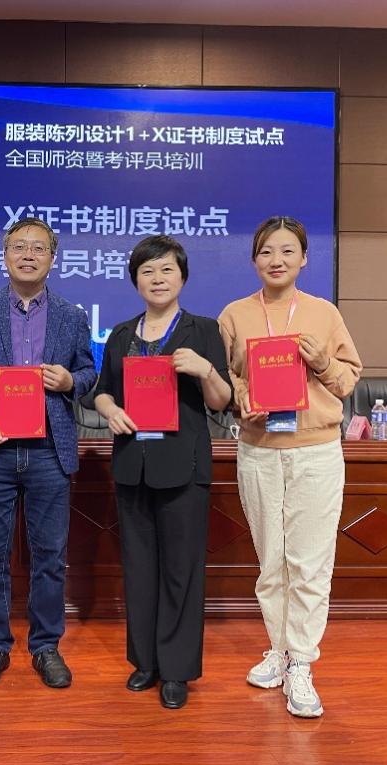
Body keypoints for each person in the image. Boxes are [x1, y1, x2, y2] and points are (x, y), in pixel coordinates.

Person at [218, 215, 362, 719]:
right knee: (271, 562)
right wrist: (241, 398)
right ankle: (278, 650)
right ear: (253, 260)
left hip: (315, 451)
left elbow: (347, 381)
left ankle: (301, 661)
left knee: (309, 563)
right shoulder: (234, 315)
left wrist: (322, 361)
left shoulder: (324, 313)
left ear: (304, 258)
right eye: (266, 252)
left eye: (286, 251)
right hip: (258, 450)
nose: (276, 261)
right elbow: (224, 380)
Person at [0, 216, 96, 689]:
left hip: (50, 450)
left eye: (38, 247)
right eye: (19, 246)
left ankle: (46, 645)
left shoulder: (72, 315)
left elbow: (88, 373)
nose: (28, 254)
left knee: (50, 555)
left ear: (53, 259)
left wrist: (70, 381)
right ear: (5, 254)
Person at [92, 235, 232, 709]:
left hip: (184, 465)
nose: (157, 278)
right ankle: (145, 661)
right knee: (139, 568)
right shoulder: (120, 334)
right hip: (133, 463)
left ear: (183, 277)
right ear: (135, 280)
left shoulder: (203, 330)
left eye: (166, 269)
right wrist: (110, 410)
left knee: (181, 570)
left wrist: (205, 370)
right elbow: (102, 391)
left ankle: (176, 670)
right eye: (147, 271)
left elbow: (221, 401)